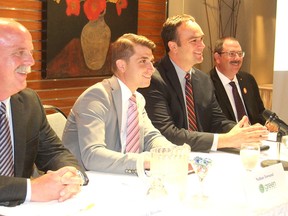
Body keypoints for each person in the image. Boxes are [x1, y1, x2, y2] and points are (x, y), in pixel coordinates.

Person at [138, 14, 268, 152]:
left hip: (204, 158)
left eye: (202, 39)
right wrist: (226, 140)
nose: (203, 46)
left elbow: (217, 121)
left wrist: (244, 132)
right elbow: (166, 133)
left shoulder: (203, 80)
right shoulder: (152, 80)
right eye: (194, 41)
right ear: (173, 46)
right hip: (171, 160)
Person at [0, 18, 88, 207]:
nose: (31, 61)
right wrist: (31, 189)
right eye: (19, 52)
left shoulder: (28, 102)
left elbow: (54, 152)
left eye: (31, 52)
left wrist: (70, 175)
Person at [62, 33, 173, 175]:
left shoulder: (137, 99)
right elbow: (92, 156)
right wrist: (142, 161)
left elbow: (151, 137)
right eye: (143, 61)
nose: (152, 68)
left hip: (120, 178)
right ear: (121, 65)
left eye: (151, 61)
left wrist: (172, 153)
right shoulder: (97, 96)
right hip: (85, 183)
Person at [209, 37, 266, 125]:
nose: (237, 58)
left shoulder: (248, 80)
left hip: (255, 136)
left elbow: (260, 113)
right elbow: (211, 123)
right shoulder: (207, 83)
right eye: (231, 54)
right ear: (217, 57)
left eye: (240, 54)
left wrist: (268, 123)